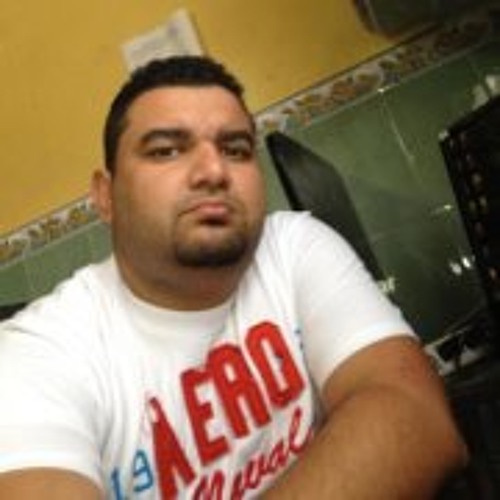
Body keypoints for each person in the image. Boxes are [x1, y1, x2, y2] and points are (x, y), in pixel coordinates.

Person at [0, 55, 466, 499]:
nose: (213, 171)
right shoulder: (36, 353)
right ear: (106, 196)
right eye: (166, 150)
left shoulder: (293, 246)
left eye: (236, 149)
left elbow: (417, 418)